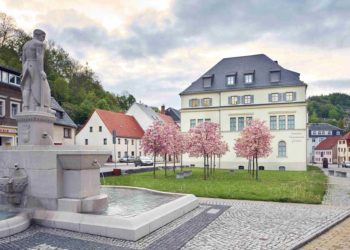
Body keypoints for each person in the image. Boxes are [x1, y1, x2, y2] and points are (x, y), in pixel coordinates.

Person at [21, 29, 51, 112]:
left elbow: (23, 58)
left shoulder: (26, 45)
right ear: (38, 35)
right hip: (35, 65)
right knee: (45, 87)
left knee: (27, 87)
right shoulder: (38, 44)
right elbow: (39, 56)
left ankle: (25, 107)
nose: (43, 39)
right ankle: (45, 107)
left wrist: (22, 70)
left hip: (26, 65)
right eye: (43, 37)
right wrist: (41, 70)